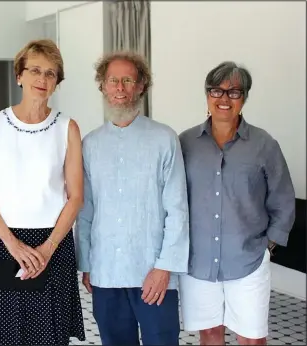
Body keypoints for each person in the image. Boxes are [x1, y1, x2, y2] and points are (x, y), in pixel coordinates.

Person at [0, 39, 86, 346]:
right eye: (35, 70)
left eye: (51, 73)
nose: (42, 79)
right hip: (7, 243)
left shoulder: (67, 128)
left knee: (51, 336)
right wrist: (14, 246)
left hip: (54, 243)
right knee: (8, 335)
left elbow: (75, 196)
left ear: (57, 83)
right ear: (19, 75)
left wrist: (48, 248)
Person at [75, 51, 190, 346]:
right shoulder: (90, 144)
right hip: (106, 273)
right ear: (103, 86)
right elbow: (85, 210)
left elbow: (177, 209)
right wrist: (87, 263)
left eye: (128, 80)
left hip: (153, 274)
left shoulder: (165, 139)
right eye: (113, 80)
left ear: (141, 87)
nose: (120, 88)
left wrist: (165, 267)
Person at [178, 61, 296, 345]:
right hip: (198, 262)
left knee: (252, 339)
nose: (224, 99)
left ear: (244, 98)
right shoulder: (185, 143)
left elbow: (283, 198)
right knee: (210, 334)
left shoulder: (263, 144)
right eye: (217, 90)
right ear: (207, 95)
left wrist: (268, 247)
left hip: (248, 260)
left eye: (234, 92)